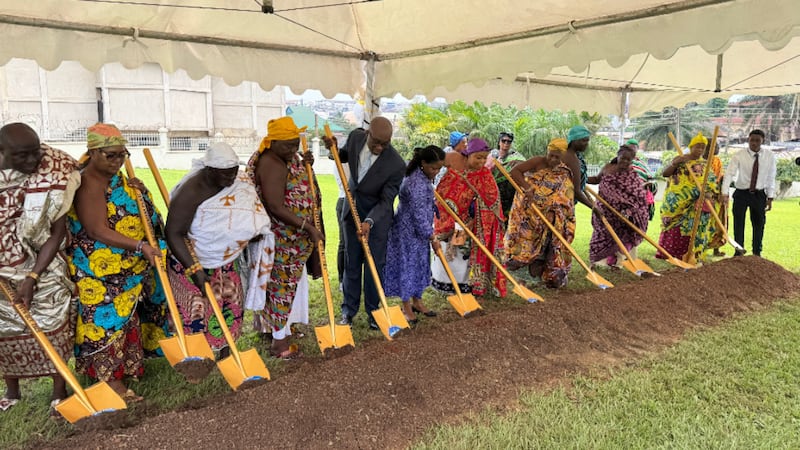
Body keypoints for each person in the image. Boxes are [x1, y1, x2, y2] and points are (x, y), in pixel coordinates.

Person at [67, 123, 168, 401]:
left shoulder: (117, 176)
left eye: (121, 155)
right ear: (93, 152)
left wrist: (139, 192)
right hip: (100, 270)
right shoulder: (88, 181)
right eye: (110, 155)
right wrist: (140, 245)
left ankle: (126, 369)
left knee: (126, 319)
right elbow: (96, 229)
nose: (117, 161)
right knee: (106, 323)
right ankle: (108, 383)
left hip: (128, 266)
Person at [0, 123, 80, 414]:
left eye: (36, 152)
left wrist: (32, 277)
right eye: (22, 156)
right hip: (2, 272)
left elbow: (57, 231)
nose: (33, 161)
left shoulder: (55, 171)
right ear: (3, 152)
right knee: (5, 330)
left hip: (44, 266)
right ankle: (12, 391)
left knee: (53, 326)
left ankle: (59, 392)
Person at [165, 142, 272, 357]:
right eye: (225, 175)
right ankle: (196, 358)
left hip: (225, 261)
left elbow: (243, 213)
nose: (231, 179)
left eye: (233, 173)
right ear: (210, 170)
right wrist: (194, 269)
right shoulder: (191, 190)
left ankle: (225, 350)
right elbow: (173, 233)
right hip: (192, 259)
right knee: (197, 309)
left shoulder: (238, 181)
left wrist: (250, 231)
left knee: (229, 304)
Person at [248, 117, 321, 358]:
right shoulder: (271, 163)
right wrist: (306, 226)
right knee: (280, 287)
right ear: (272, 142)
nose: (293, 150)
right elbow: (275, 206)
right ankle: (280, 344)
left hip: (292, 242)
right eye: (287, 145)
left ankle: (279, 329)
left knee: (285, 287)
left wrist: (303, 162)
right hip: (282, 241)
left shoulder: (285, 158)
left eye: (295, 144)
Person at [323, 116, 405, 330]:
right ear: (368, 134)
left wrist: (369, 221)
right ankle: (348, 311)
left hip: (376, 220)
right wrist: (331, 148)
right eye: (375, 142)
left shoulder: (396, 164)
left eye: (384, 144)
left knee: (373, 267)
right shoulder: (356, 137)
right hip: (352, 212)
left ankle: (373, 312)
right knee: (351, 263)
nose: (379, 147)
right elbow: (342, 156)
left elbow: (387, 201)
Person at [432, 138, 506, 298]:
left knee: (463, 253)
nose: (481, 161)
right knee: (447, 251)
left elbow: (492, 198)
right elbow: (438, 176)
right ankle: (444, 283)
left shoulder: (484, 174)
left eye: (483, 158)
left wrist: (475, 216)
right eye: (477, 157)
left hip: (470, 221)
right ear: (468, 154)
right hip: (447, 216)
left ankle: (466, 285)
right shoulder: (453, 161)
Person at [384, 145, 445, 324]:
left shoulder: (423, 177)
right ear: (423, 163)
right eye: (433, 168)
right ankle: (406, 307)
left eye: (439, 169)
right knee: (408, 266)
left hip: (419, 232)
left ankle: (417, 301)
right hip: (407, 232)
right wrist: (432, 236)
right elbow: (418, 215)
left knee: (419, 264)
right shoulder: (415, 183)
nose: (436, 172)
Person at [505, 138, 575, 288]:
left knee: (546, 245)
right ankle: (521, 278)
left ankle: (542, 276)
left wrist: (558, 208)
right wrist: (527, 187)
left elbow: (566, 195)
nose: (553, 159)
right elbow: (515, 172)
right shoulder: (537, 161)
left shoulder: (564, 171)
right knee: (525, 243)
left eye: (557, 157)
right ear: (547, 152)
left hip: (550, 218)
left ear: (562, 156)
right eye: (551, 155)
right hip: (529, 214)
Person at [657, 132, 719, 261]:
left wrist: (708, 193)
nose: (700, 150)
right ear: (691, 147)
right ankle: (670, 253)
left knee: (695, 227)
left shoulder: (705, 164)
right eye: (697, 146)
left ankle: (692, 254)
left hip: (698, 202)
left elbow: (711, 182)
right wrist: (675, 163)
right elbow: (665, 174)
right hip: (679, 201)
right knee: (676, 228)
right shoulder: (681, 159)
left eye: (703, 147)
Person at [588, 145, 650, 267]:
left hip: (622, 213)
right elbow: (596, 179)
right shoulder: (607, 168)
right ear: (618, 156)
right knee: (603, 233)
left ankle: (617, 259)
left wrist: (629, 208)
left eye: (628, 160)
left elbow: (638, 194)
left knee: (622, 234)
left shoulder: (631, 174)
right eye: (623, 158)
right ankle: (603, 260)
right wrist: (581, 178)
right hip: (604, 210)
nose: (625, 162)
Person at [721, 129, 777, 257]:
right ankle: (739, 250)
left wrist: (770, 197)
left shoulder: (769, 156)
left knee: (759, 223)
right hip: (741, 193)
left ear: (763, 141)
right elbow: (729, 174)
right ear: (748, 140)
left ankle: (757, 252)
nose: (754, 143)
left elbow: (771, 176)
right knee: (738, 223)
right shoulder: (739, 155)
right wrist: (724, 193)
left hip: (759, 195)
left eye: (757, 140)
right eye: (752, 140)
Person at [485, 131, 526, 218]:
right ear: (499, 142)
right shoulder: (492, 155)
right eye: (504, 141)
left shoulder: (515, 156)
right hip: (494, 188)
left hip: (509, 190)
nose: (506, 143)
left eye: (509, 141)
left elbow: (524, 165)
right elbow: (485, 170)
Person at [703, 140, 728, 256]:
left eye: (717, 146)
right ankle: (701, 247)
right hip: (705, 196)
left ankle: (716, 248)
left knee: (719, 222)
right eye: (714, 146)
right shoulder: (700, 162)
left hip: (718, 196)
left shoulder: (717, 161)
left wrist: (723, 192)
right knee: (706, 222)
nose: (717, 148)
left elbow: (721, 176)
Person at [562, 125, 595, 210]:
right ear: (574, 140)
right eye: (584, 140)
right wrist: (594, 209)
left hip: (565, 201)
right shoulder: (572, 159)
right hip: (563, 202)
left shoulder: (575, 156)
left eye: (588, 141)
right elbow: (576, 192)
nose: (586, 144)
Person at [624, 139, 658, 221]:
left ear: (637, 150)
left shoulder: (642, 165)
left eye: (634, 148)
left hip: (640, 204)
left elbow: (653, 182)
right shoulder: (619, 162)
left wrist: (649, 184)